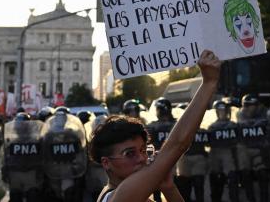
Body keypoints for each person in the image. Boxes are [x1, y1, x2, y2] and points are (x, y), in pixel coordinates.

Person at [89, 50, 221, 202]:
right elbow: (178, 144)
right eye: (130, 154)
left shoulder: (130, 193)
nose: (142, 159)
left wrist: (168, 188)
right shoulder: (122, 195)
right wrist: (208, 83)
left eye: (144, 150)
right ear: (107, 163)